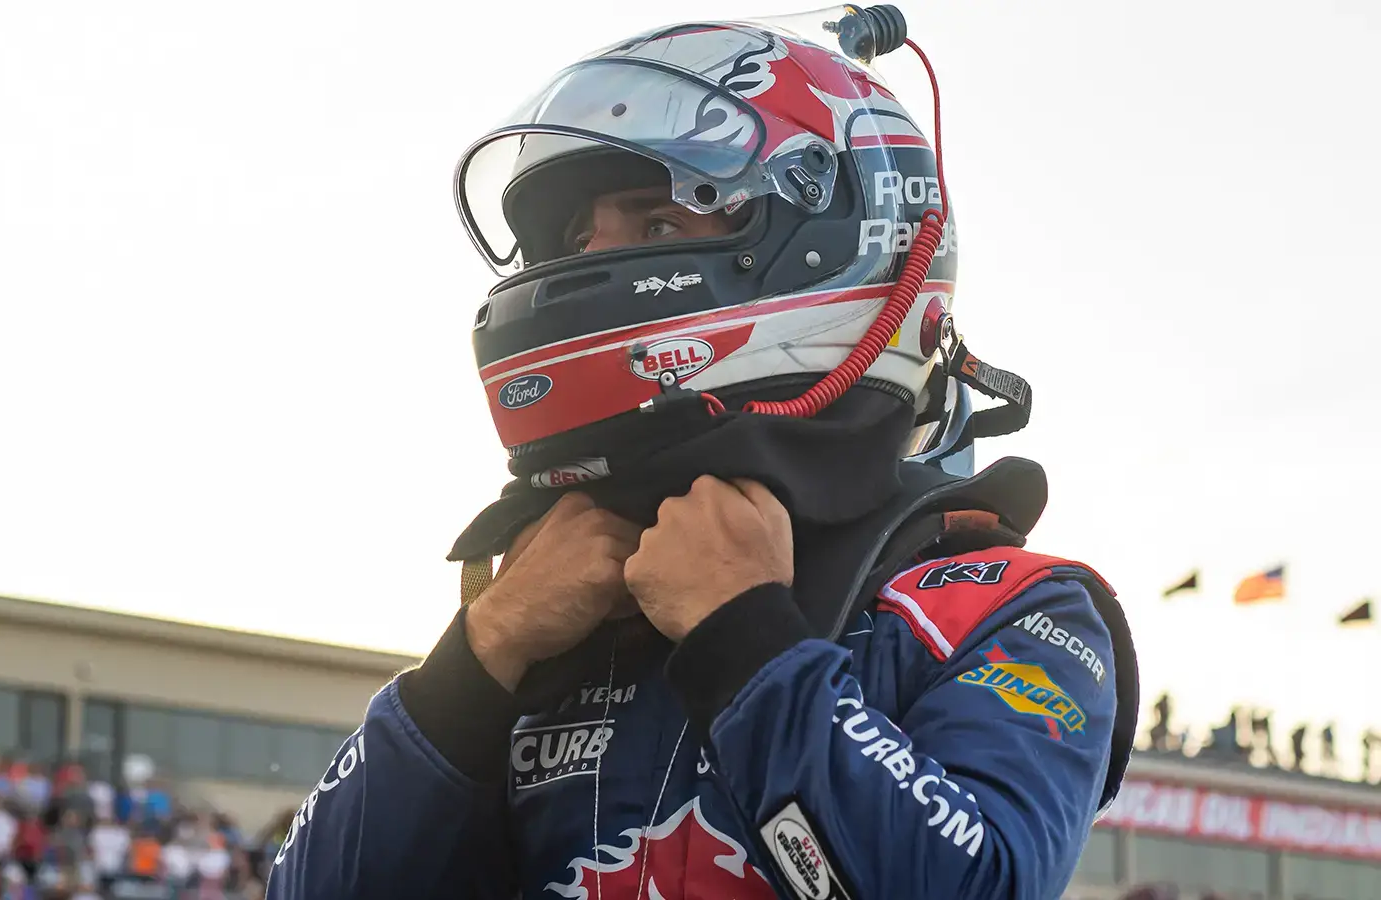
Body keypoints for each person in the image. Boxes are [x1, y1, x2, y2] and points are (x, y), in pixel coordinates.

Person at [268, 7, 1138, 900]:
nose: (589, 264)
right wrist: (477, 658)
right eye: (576, 239)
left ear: (835, 240)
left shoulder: (1003, 610)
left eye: (652, 226)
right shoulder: (548, 598)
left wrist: (747, 637)